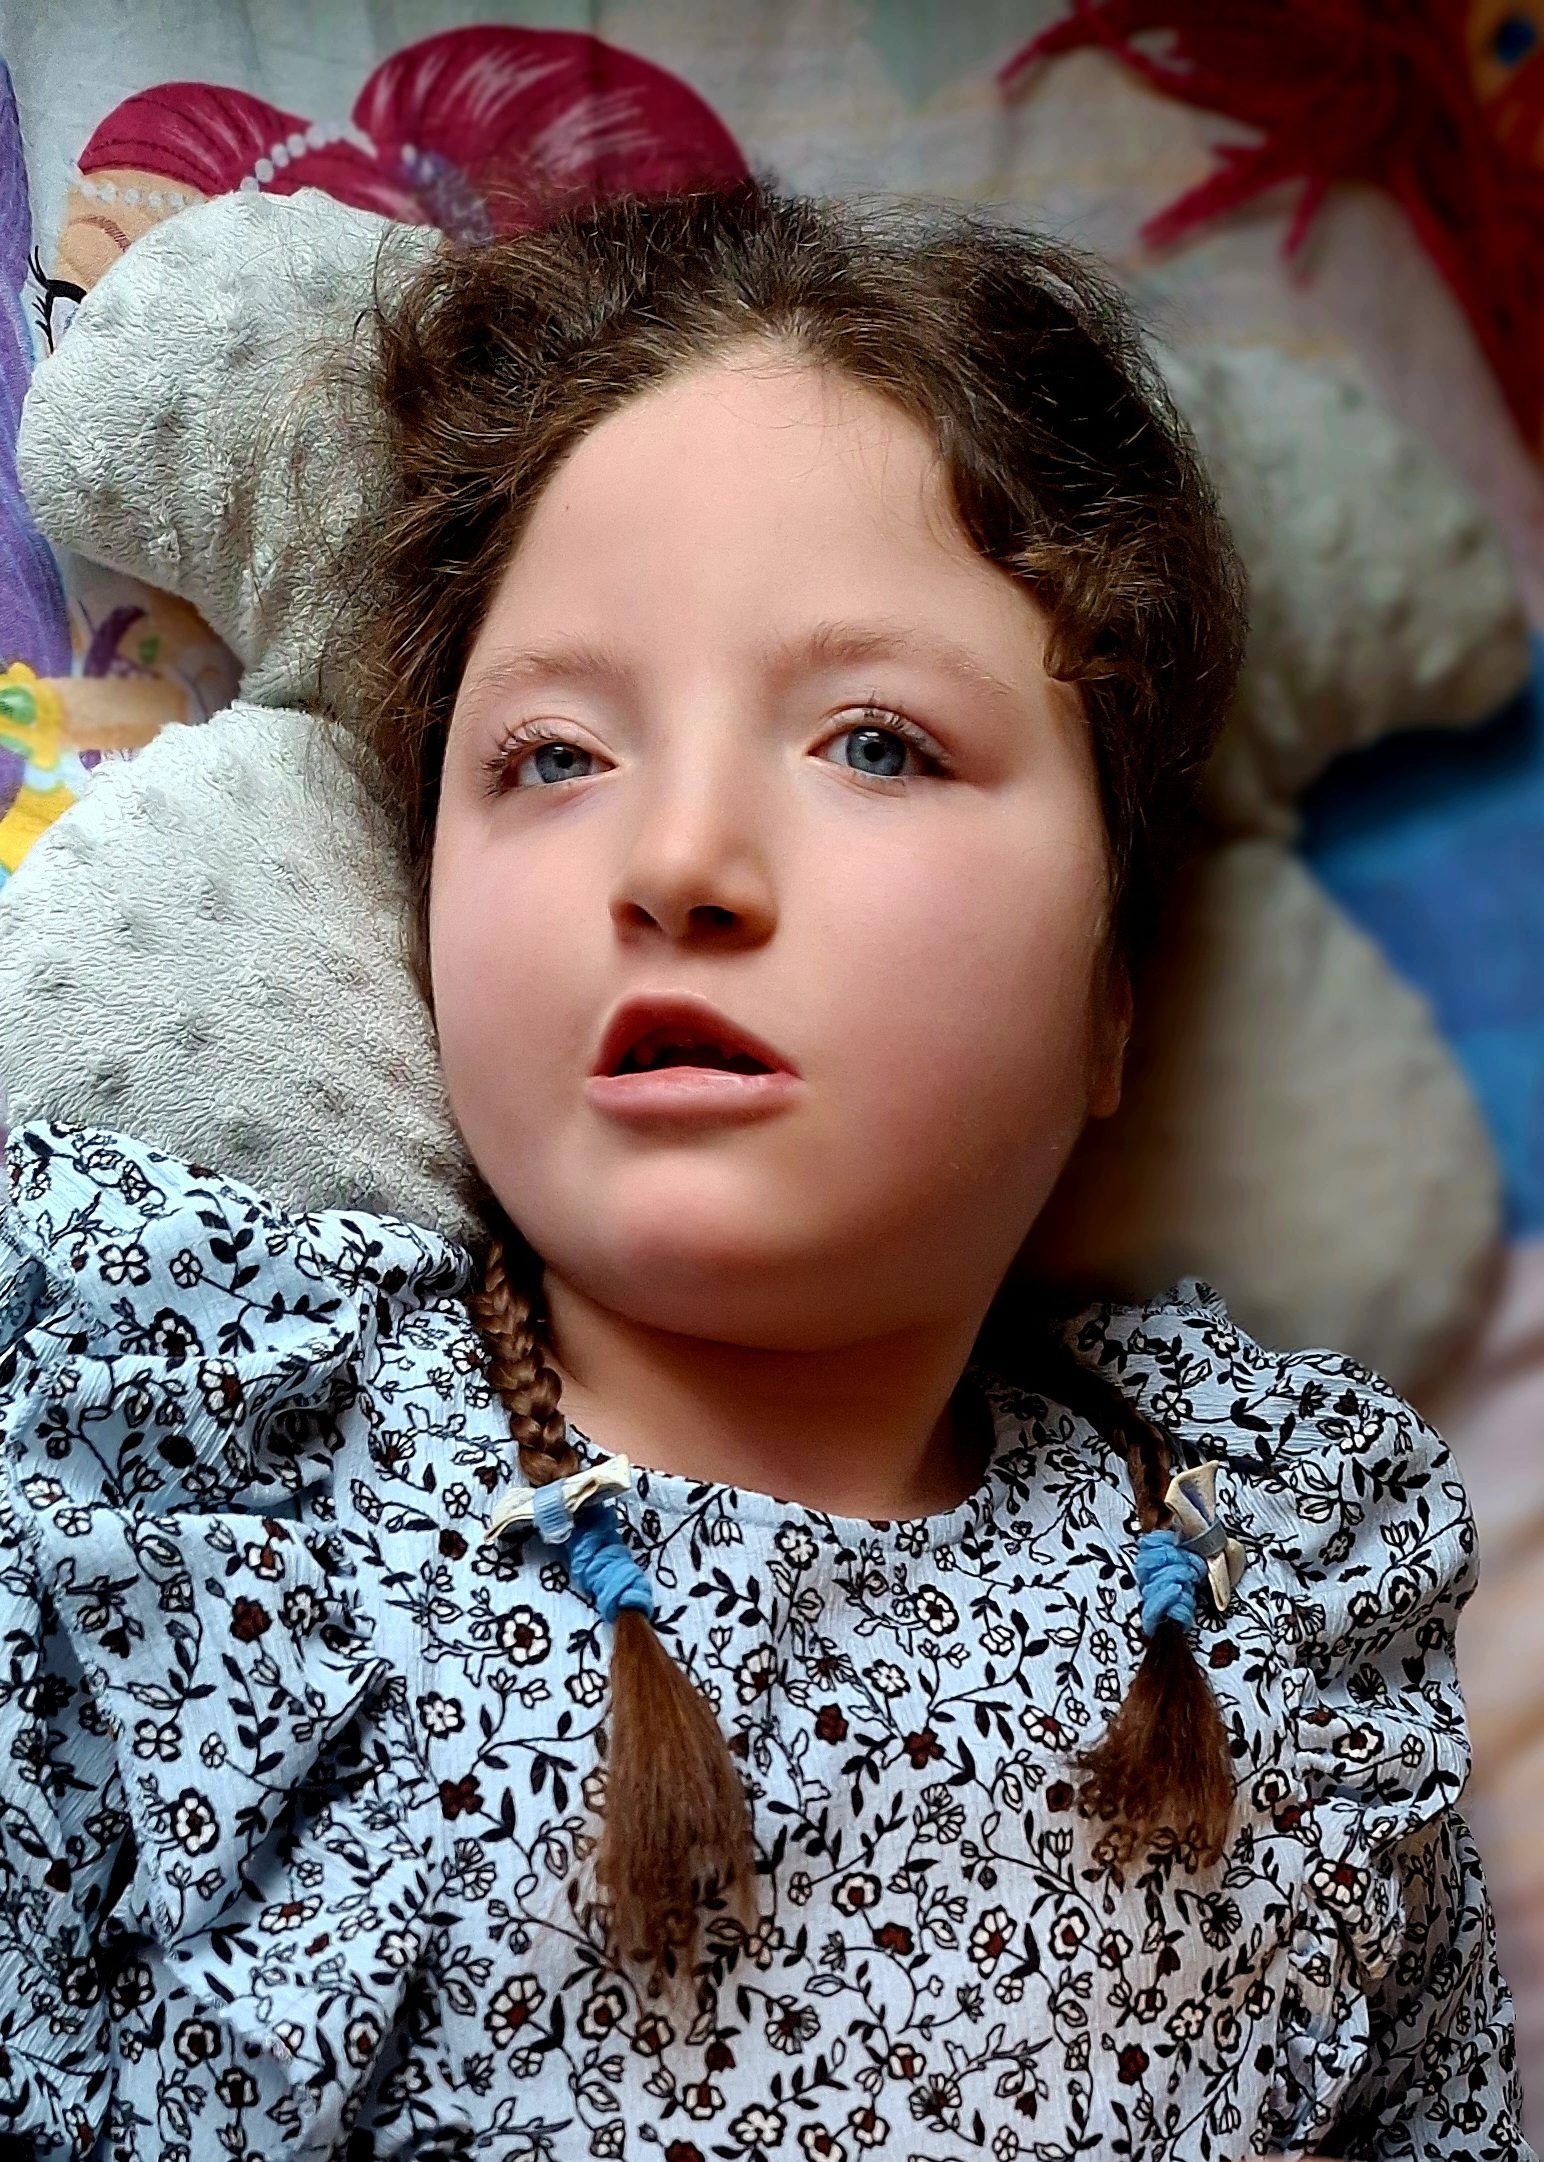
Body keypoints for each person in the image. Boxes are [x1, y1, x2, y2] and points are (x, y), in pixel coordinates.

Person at [0, 177, 1531, 2161]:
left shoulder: (1294, 1588)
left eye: (875, 742)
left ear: (1111, 1009)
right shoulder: (186, 1481)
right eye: (554, 755)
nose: (678, 861)